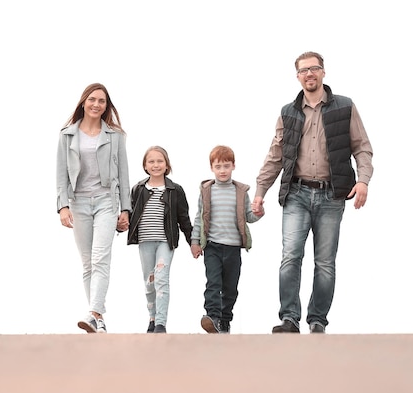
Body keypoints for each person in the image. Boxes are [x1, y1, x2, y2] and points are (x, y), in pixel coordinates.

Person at [252, 51, 374, 334]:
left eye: (314, 68)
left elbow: (362, 147)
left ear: (323, 72)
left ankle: (317, 320)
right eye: (304, 70)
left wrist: (364, 180)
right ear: (297, 76)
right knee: (290, 257)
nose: (309, 74)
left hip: (332, 196)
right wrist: (260, 191)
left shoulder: (345, 106)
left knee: (325, 262)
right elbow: (275, 156)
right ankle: (289, 319)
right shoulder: (288, 112)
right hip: (296, 194)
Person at [56, 83, 131, 334]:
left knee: (101, 258)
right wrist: (62, 206)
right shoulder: (67, 134)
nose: (96, 104)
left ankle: (94, 313)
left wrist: (125, 209)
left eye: (101, 101)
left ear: (106, 106)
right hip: (78, 202)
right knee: (88, 263)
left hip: (106, 202)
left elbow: (123, 173)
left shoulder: (115, 136)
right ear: (83, 102)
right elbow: (61, 174)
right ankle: (97, 319)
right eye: (92, 100)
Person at [191, 145, 263, 334]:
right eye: (218, 166)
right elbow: (200, 217)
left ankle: (224, 320)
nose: (222, 170)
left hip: (233, 248)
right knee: (213, 283)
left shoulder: (240, 191)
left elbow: (249, 216)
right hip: (212, 246)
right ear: (212, 168)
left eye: (226, 166)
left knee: (230, 287)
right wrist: (195, 242)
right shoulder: (207, 191)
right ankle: (212, 316)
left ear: (233, 166)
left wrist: (259, 212)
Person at [127, 146, 193, 334]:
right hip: (145, 241)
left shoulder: (175, 190)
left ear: (166, 165)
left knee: (161, 279)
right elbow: (130, 214)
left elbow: (184, 218)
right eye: (151, 161)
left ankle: (161, 324)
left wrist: (193, 242)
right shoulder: (138, 189)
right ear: (145, 166)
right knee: (149, 282)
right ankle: (152, 317)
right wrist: (120, 224)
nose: (156, 165)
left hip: (166, 241)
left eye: (160, 161)